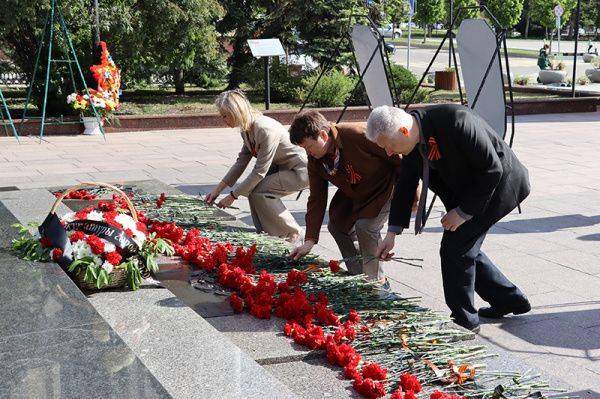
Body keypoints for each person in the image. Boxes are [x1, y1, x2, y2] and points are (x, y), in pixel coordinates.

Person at [366, 104, 531, 332]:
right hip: (468, 190)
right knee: (463, 246)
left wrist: (463, 212)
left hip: (499, 186)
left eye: (389, 146)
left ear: (403, 131)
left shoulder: (456, 121)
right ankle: (508, 299)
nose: (389, 153)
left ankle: (464, 320)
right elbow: (405, 186)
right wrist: (391, 233)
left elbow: (492, 170)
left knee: (455, 248)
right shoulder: (411, 140)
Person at [287, 110, 404, 283]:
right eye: (304, 149)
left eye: (308, 147)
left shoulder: (355, 134)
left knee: (366, 227)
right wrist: (310, 240)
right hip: (354, 193)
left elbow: (398, 158)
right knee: (337, 225)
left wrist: (410, 195)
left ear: (323, 135)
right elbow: (317, 198)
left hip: (384, 187)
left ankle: (375, 283)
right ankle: (358, 275)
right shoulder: (315, 160)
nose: (308, 153)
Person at [206, 90, 308, 242]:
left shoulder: (264, 129)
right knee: (252, 191)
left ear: (236, 111)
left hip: (300, 170)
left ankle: (294, 232)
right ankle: (267, 234)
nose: (223, 119)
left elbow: (260, 171)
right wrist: (217, 191)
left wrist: (233, 196)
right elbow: (241, 162)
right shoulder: (247, 129)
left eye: (225, 115)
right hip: (283, 168)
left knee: (260, 192)